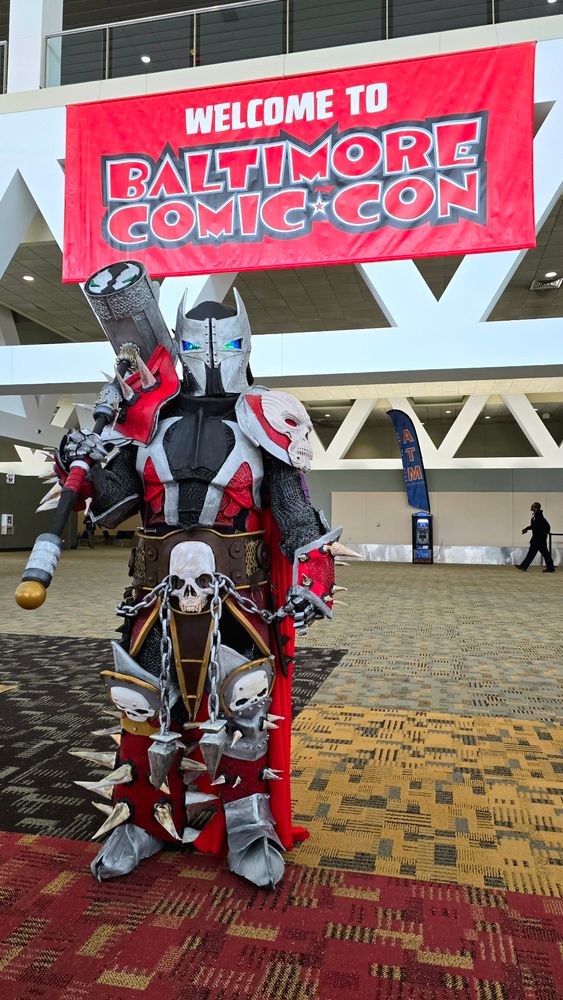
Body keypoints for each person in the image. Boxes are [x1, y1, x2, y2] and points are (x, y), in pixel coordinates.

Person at [51, 264, 341, 889]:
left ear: (247, 344)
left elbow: (297, 512)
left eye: (229, 342)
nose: (213, 355)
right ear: (178, 344)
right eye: (197, 342)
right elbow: (117, 505)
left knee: (241, 704)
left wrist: (312, 579)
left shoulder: (266, 415)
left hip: (237, 589)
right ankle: (139, 821)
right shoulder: (146, 415)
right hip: (153, 586)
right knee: (140, 702)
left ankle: (247, 824)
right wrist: (83, 461)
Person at [517, 501, 555, 573]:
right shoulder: (535, 516)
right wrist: (527, 529)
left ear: (536, 508)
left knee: (539, 553)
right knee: (537, 552)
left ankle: (524, 566)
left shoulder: (539, 516)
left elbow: (538, 526)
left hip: (539, 539)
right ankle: (524, 566)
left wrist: (527, 529)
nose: (531, 507)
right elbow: (535, 526)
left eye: (533, 506)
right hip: (537, 539)